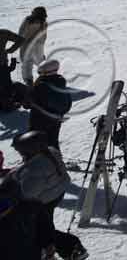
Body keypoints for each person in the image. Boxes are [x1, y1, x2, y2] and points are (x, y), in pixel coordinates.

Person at [9, 131, 88, 260]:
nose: (20, 154)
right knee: (44, 226)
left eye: (21, 151)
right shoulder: (50, 152)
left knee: (36, 228)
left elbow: (27, 193)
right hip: (56, 193)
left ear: (30, 149)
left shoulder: (35, 169)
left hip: (43, 200)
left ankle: (71, 247)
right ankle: (62, 248)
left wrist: (15, 181)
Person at [27, 60, 71, 151]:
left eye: (40, 72)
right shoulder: (60, 82)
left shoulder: (41, 86)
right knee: (53, 141)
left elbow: (29, 101)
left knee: (37, 142)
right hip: (56, 119)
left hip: (40, 119)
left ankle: (39, 162)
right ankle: (57, 161)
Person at [18, 7, 48, 85]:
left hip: (26, 45)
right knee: (40, 62)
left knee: (27, 64)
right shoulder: (44, 22)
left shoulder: (28, 20)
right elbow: (44, 36)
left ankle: (29, 82)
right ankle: (45, 78)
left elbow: (21, 33)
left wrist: (19, 43)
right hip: (38, 46)